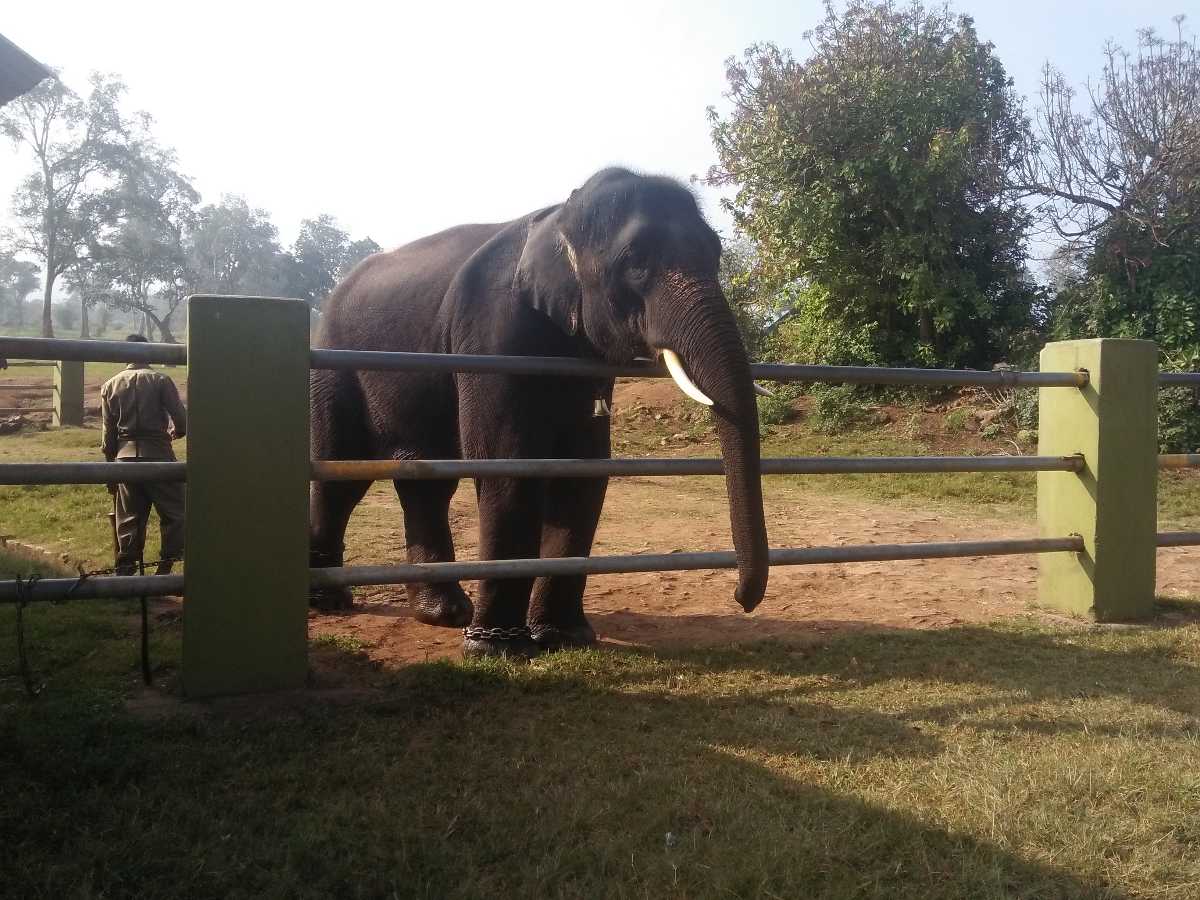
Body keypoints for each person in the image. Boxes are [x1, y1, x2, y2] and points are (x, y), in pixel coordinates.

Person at [100, 334, 187, 575]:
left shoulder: (110, 385)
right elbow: (181, 419)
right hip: (159, 455)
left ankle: (126, 571)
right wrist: (178, 432)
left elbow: (108, 436)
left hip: (124, 458)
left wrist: (110, 471)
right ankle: (165, 567)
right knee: (175, 513)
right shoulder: (160, 380)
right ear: (148, 353)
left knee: (129, 518)